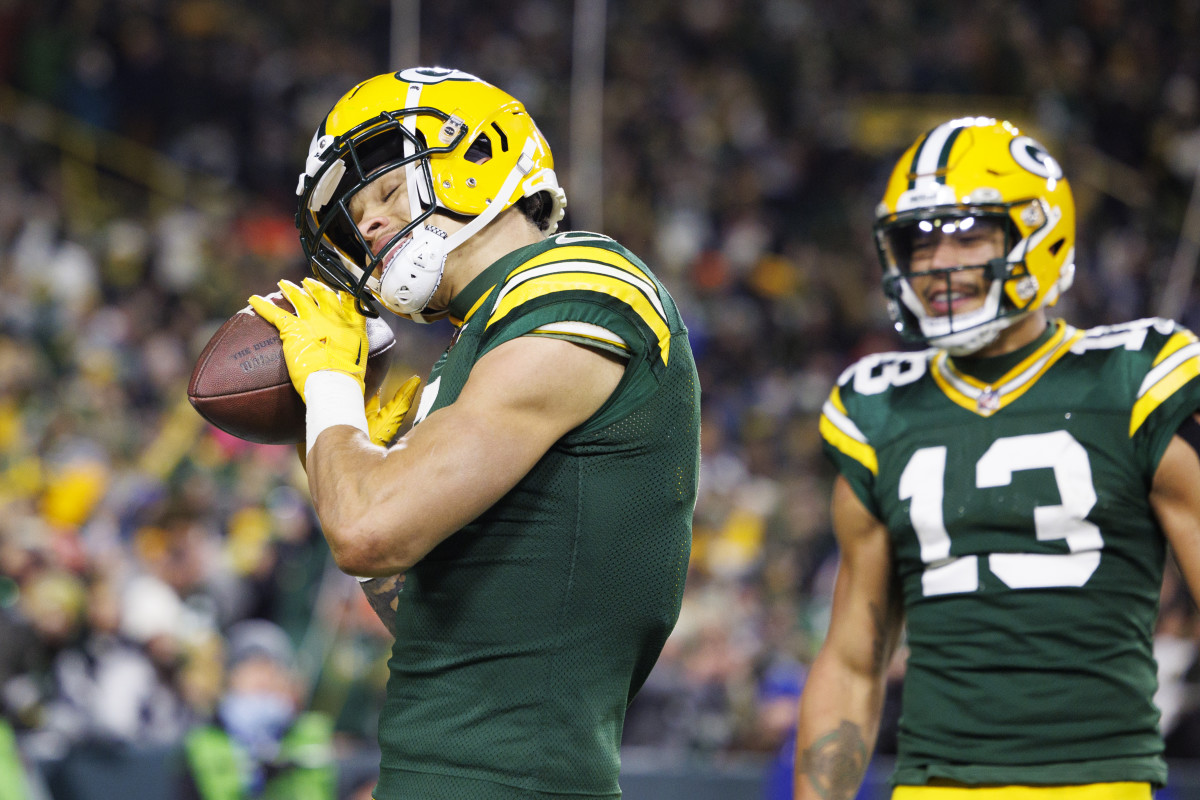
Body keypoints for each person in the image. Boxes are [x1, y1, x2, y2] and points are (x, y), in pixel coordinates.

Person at [246, 67, 701, 799]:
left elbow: (367, 530)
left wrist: (331, 391)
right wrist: (332, 448)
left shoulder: (583, 280)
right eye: (354, 214)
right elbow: (440, 626)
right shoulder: (474, 350)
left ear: (481, 154)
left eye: (388, 191)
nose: (366, 225)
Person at [795, 116, 1200, 799]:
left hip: (1098, 783)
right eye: (916, 241)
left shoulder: (1134, 380)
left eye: (966, 234)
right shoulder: (878, 409)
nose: (936, 263)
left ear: (1037, 232)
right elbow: (853, 662)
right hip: (933, 784)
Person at [177, 618, 336, 800]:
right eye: (252, 666)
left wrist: (284, 771)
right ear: (230, 677)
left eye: (272, 666)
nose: (263, 677)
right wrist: (252, 773)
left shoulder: (310, 731)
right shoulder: (203, 739)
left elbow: (318, 792)